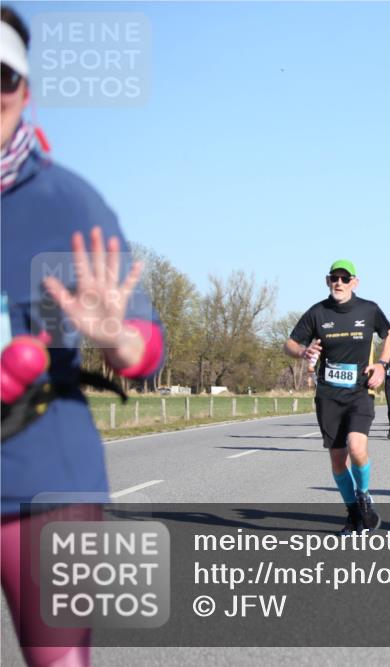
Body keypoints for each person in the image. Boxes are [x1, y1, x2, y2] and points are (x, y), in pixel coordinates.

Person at [1, 8, 165, 664]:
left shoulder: (68, 203)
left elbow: (144, 348)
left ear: (25, 92)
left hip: (44, 484)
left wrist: (114, 334)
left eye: (0, 79)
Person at [285, 259, 390, 533]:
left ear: (354, 282)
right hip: (328, 395)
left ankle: (364, 497)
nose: (339, 283)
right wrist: (303, 352)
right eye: (334, 278)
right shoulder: (317, 312)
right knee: (337, 459)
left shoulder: (368, 309)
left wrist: (381, 365)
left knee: (357, 448)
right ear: (327, 281)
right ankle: (353, 512)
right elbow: (289, 343)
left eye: (345, 279)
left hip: (360, 391)